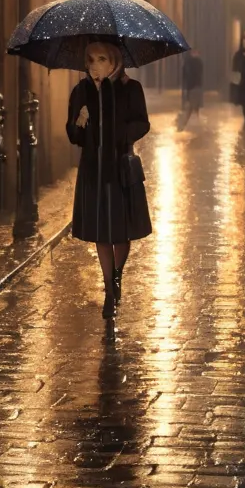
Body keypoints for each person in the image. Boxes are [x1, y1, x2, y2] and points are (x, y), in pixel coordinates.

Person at [67, 39, 152, 319]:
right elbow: (73, 135)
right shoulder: (81, 92)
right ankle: (108, 287)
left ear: (114, 61)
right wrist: (79, 122)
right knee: (101, 231)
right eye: (90, 60)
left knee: (121, 231)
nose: (94, 66)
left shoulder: (131, 89)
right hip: (93, 169)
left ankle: (117, 275)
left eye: (101, 59)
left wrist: (120, 133)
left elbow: (142, 122)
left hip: (119, 168)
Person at [182, 48, 204, 122]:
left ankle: (188, 122)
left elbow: (185, 75)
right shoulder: (193, 62)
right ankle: (185, 123)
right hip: (193, 86)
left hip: (193, 86)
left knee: (193, 105)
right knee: (191, 105)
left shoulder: (193, 62)